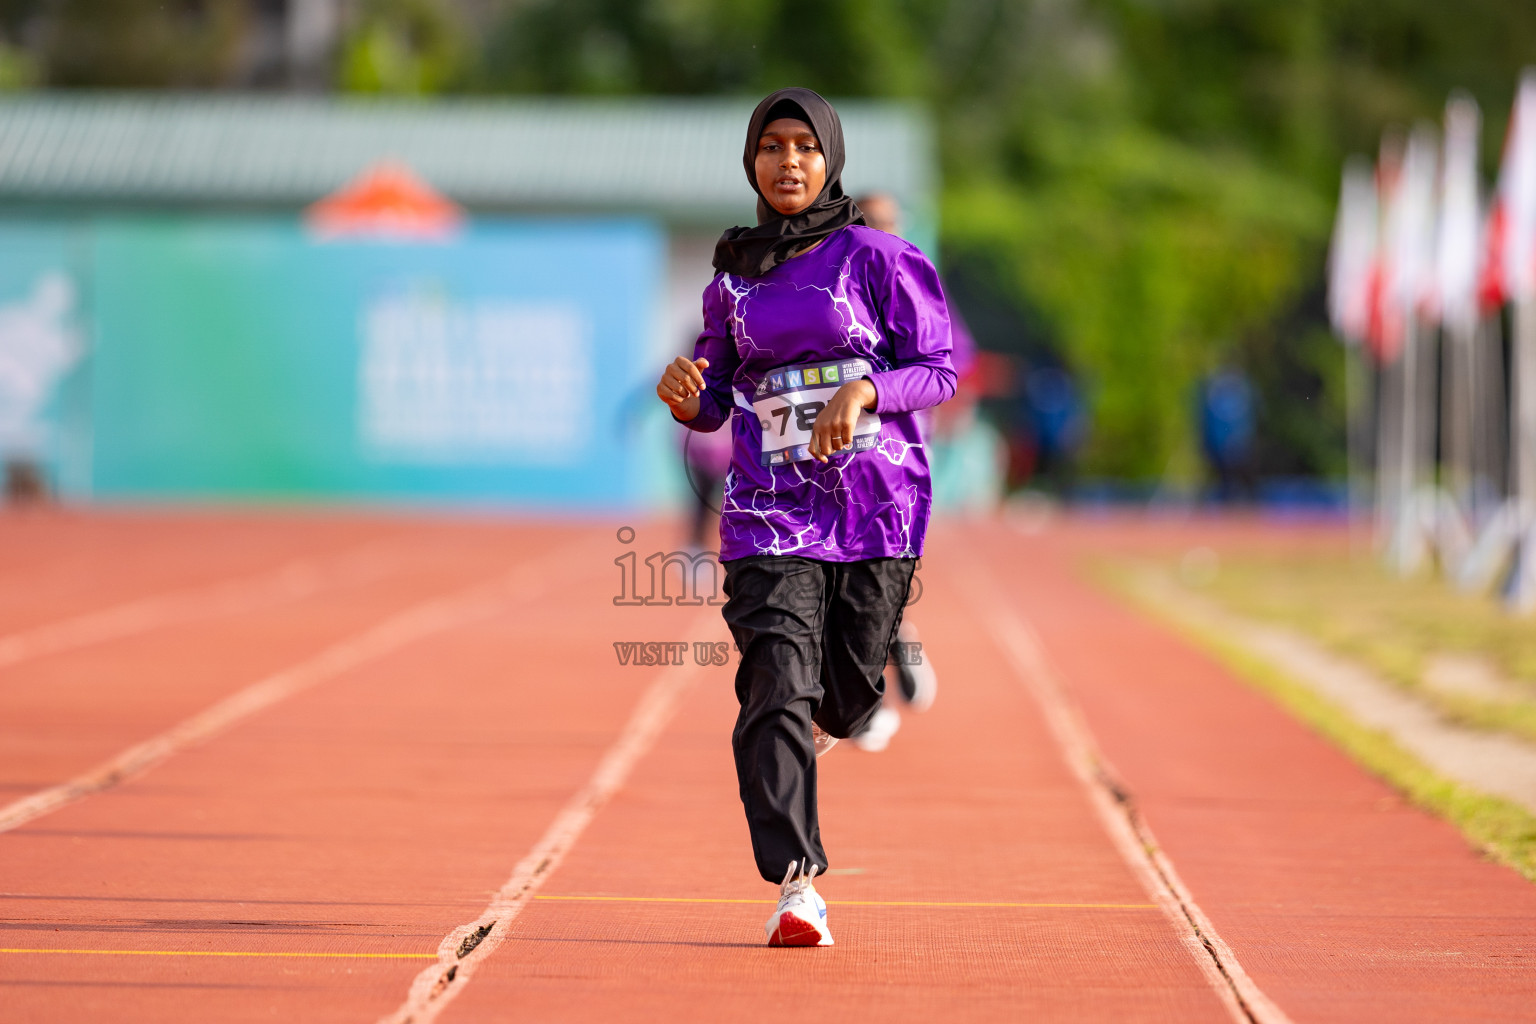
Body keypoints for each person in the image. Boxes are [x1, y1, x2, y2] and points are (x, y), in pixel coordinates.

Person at [655, 88, 956, 947]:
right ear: (751, 162)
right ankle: (798, 886)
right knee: (777, 683)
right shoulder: (732, 280)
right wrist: (688, 399)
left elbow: (935, 370)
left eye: (805, 148)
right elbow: (712, 398)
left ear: (831, 160)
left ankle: (805, 729)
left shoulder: (879, 257)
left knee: (851, 691)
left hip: (876, 511)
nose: (788, 162)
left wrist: (865, 389)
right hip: (769, 514)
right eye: (771, 147)